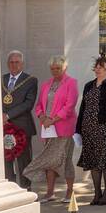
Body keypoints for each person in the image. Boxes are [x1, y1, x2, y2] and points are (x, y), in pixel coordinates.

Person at [25, 56, 80, 203]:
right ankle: (50, 193)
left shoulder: (71, 83)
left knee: (65, 160)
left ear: (64, 68)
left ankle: (69, 191)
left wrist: (53, 119)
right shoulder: (46, 84)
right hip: (48, 128)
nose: (55, 71)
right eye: (52, 68)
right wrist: (42, 117)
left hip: (64, 127)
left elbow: (69, 106)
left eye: (58, 68)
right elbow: (38, 106)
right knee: (50, 160)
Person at [75, 55, 106, 205]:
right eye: (96, 66)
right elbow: (83, 108)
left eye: (100, 67)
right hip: (88, 128)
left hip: (105, 128)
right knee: (93, 161)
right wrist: (78, 129)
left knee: (105, 161)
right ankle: (97, 193)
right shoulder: (89, 85)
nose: (97, 69)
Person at [2, 49, 38, 189]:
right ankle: (9, 189)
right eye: (11, 62)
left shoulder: (30, 80)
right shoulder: (2, 79)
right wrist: (1, 116)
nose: (14, 65)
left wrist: (8, 115)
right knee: (6, 159)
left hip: (22, 127)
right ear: (7, 64)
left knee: (24, 160)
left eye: (17, 62)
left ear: (22, 64)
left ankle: (26, 189)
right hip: (4, 126)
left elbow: (28, 104)